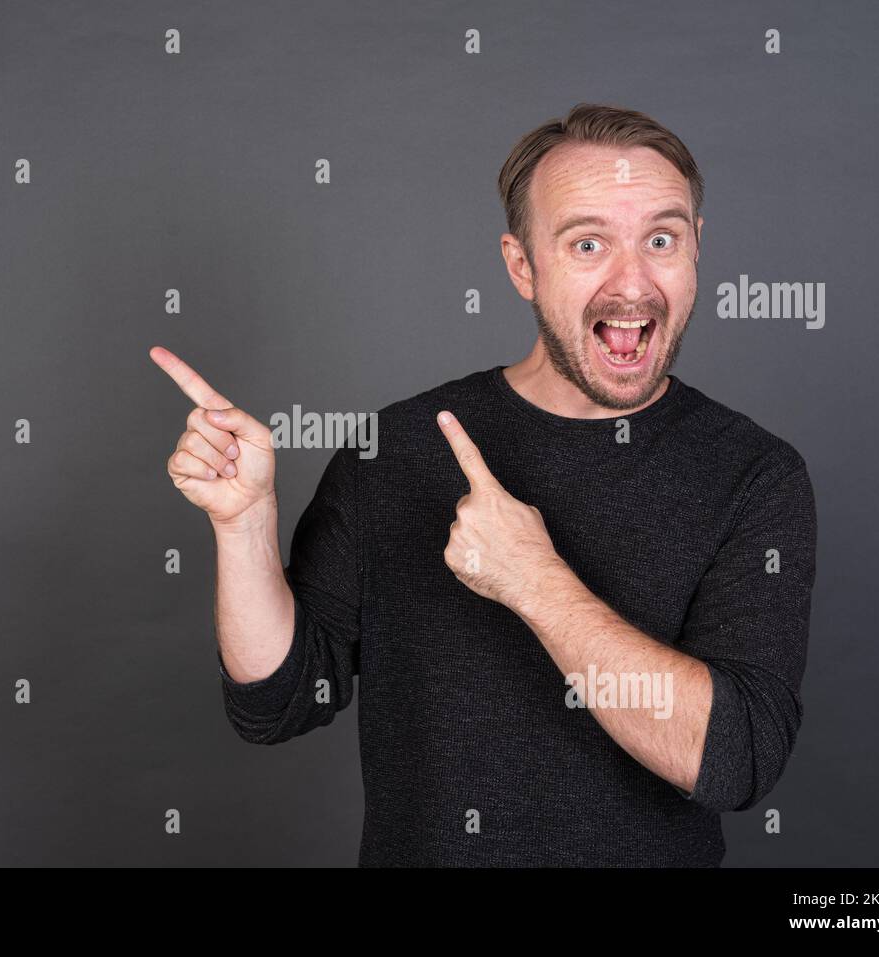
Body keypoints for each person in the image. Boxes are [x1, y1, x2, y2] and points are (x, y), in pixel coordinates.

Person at [150, 103, 817, 867]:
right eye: (589, 243)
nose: (632, 283)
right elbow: (278, 700)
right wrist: (243, 528)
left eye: (661, 240)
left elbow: (737, 756)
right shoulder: (397, 450)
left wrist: (533, 579)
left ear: (697, 249)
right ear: (522, 264)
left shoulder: (754, 475)